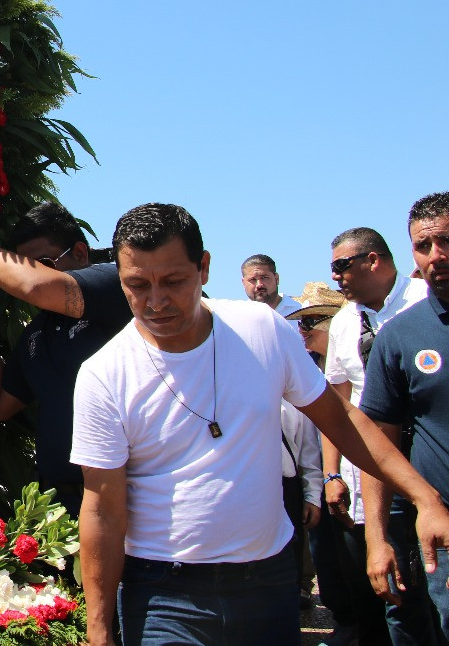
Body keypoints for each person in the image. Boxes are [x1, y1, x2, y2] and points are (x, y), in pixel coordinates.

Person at [68, 203, 449, 646]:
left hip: (268, 585)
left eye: (173, 281)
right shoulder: (103, 374)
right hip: (163, 596)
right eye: (137, 285)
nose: (156, 302)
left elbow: (342, 419)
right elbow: (101, 509)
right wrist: (99, 631)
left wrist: (425, 498)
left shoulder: (261, 329)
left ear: (204, 267)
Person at [0, 201, 131, 514]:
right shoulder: (37, 334)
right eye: (24, 263)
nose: (34, 272)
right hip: (59, 503)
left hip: (122, 498)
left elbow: (36, 286)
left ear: (80, 253)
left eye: (45, 261)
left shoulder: (116, 286)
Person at [322, 226, 427, 645]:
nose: (336, 278)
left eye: (342, 266)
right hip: (370, 472)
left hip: (427, 460)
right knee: (387, 590)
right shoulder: (345, 324)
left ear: (374, 261)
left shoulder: (424, 303)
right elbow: (336, 405)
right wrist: (330, 475)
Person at [361, 192, 449, 644]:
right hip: (441, 528)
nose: (438, 255)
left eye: (447, 240)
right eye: (424, 245)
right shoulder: (399, 337)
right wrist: (378, 538)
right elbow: (379, 443)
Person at [285, 283, 356, 645]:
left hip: (356, 482)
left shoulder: (359, 372)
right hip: (323, 483)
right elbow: (305, 442)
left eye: (313, 320)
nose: (304, 329)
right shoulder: (305, 372)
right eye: (301, 321)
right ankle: (344, 621)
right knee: (329, 563)